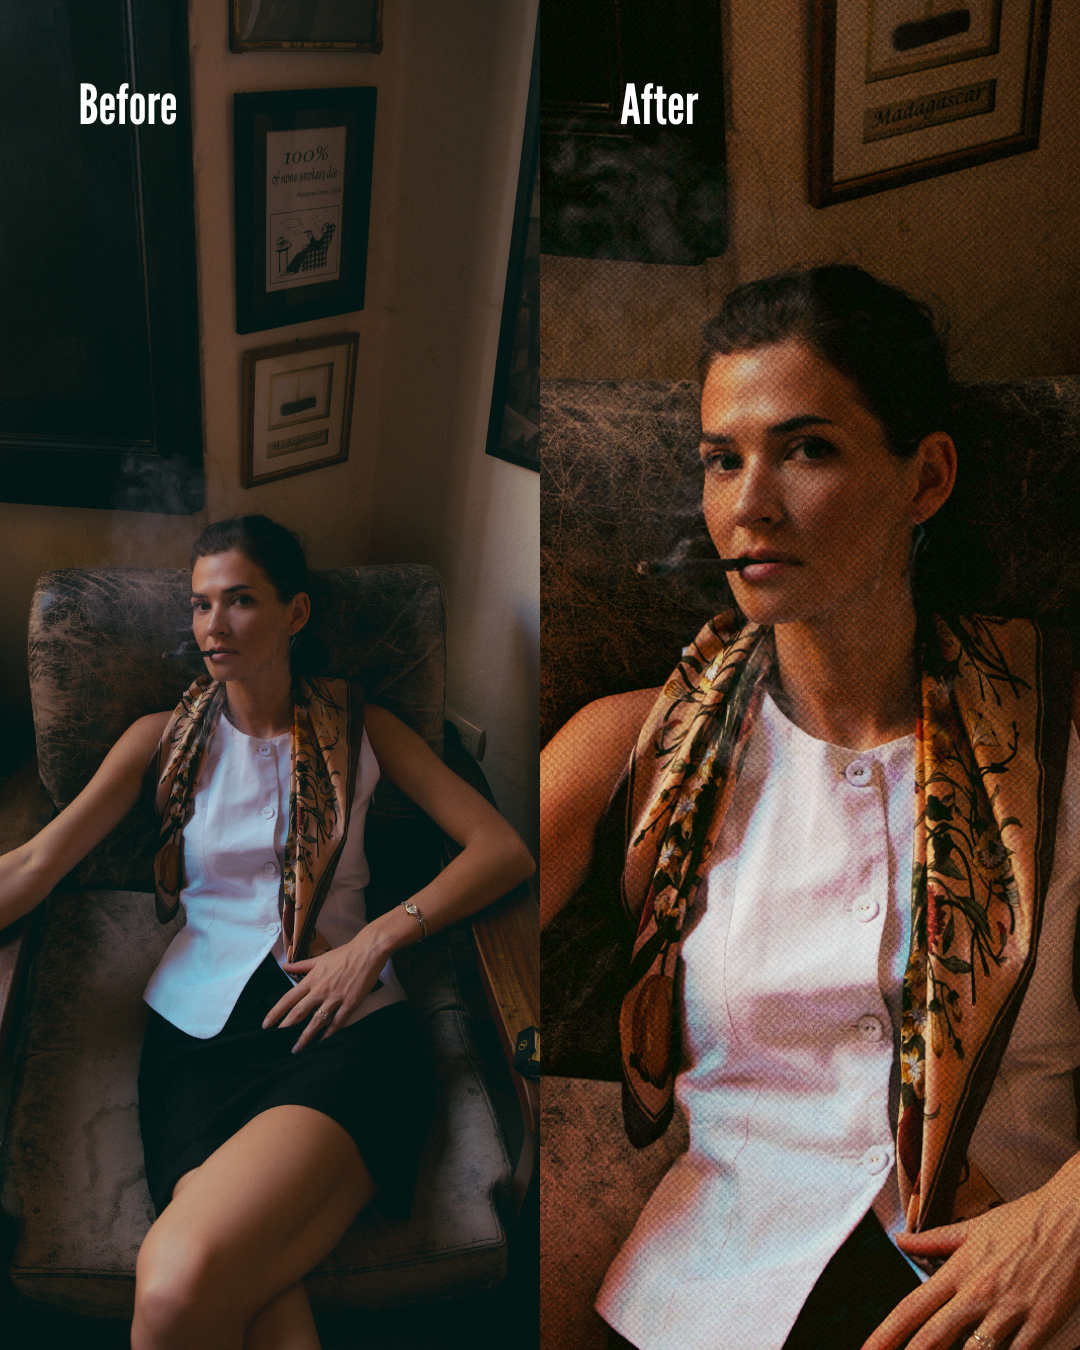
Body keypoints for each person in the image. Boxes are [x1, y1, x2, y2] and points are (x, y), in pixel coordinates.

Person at [540, 266, 1080, 1350]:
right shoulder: (631, 751)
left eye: (807, 449)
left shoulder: (1062, 740)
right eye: (721, 460)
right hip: (712, 1301)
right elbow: (424, 945)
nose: (750, 505)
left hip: (1001, 1292)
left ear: (925, 480)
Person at [0, 514, 535, 1350]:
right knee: (252, 1310)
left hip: (338, 1032)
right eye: (200, 605)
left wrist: (375, 940)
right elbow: (32, 865)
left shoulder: (365, 727)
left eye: (240, 601)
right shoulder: (161, 740)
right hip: (195, 1045)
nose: (213, 626)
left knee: (177, 1282)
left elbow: (501, 850)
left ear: (295, 612)